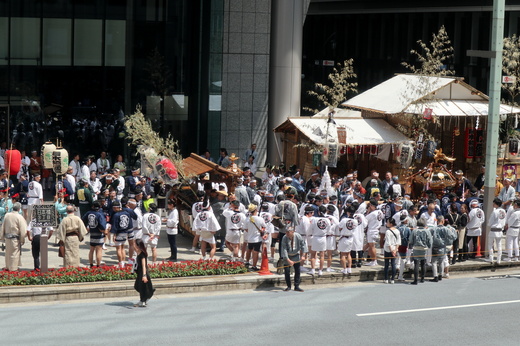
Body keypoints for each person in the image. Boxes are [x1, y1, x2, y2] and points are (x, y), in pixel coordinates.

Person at [0, 203, 27, 271]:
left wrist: (2, 237)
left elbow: (2, 226)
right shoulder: (19, 217)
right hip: (15, 238)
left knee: (8, 253)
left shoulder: (7, 215)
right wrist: (22, 239)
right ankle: (13, 269)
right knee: (14, 254)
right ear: (19, 209)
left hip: (7, 238)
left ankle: (8, 266)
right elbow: (23, 230)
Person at [280, 226, 307, 292]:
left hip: (296, 255)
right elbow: (284, 249)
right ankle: (288, 286)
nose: (287, 233)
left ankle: (296, 286)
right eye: (286, 232)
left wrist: (303, 255)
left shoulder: (298, 236)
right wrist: (288, 260)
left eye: (288, 232)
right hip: (287, 256)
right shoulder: (284, 237)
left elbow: (303, 245)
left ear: (293, 231)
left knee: (297, 270)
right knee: (287, 271)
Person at [82, 201, 107, 268]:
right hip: (99, 233)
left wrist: (87, 226)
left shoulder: (88, 213)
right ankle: (98, 265)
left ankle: (91, 264)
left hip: (92, 232)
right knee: (99, 250)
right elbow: (102, 225)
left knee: (91, 249)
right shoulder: (99, 214)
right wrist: (103, 229)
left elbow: (83, 220)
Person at [408, 219, 433, 285]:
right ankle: (422, 278)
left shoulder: (414, 231)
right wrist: (429, 246)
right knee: (423, 263)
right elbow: (430, 240)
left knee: (416, 263)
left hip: (416, 248)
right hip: (424, 248)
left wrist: (413, 244)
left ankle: (415, 280)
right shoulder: (427, 231)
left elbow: (410, 239)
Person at [133, 239, 155, 308]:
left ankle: (143, 300)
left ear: (138, 246)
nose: (133, 245)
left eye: (134, 244)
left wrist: (144, 275)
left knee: (141, 287)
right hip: (140, 272)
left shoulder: (142, 255)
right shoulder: (138, 252)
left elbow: (144, 266)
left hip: (143, 273)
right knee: (138, 286)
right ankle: (143, 299)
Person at [337, 206, 358, 275]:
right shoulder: (355, 221)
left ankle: (345, 269)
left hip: (344, 237)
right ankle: (349, 268)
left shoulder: (344, 220)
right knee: (348, 254)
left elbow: (339, 227)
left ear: (348, 212)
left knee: (343, 254)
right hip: (350, 238)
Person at [487, 198, 506, 264]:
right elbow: (504, 221)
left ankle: (491, 259)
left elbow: (490, 221)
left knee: (490, 244)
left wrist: (489, 224)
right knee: (499, 245)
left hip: (493, 230)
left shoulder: (495, 211)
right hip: (500, 230)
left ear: (496, 204)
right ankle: (499, 260)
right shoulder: (503, 211)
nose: (493, 204)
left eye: (494, 203)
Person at [364, 199, 383, 266]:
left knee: (372, 247)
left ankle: (374, 260)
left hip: (372, 230)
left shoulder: (372, 214)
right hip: (377, 229)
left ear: (371, 206)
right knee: (369, 245)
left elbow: (365, 219)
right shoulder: (380, 212)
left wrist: (368, 212)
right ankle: (369, 258)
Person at [383, 218, 401, 284]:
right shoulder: (397, 231)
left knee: (387, 264)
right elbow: (398, 242)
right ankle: (392, 279)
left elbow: (388, 242)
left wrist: (391, 251)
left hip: (388, 249)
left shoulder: (388, 231)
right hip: (394, 249)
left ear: (391, 224)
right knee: (393, 264)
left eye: (387, 222)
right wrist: (395, 250)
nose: (386, 223)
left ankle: (386, 278)